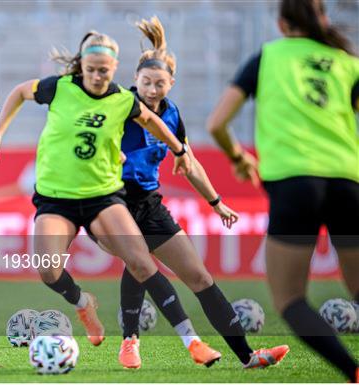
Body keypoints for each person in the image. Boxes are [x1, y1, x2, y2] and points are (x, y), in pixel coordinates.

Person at [0, 30, 208, 352]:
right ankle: (82, 300)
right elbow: (18, 92)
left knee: (141, 262)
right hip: (57, 198)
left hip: (103, 197)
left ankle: (190, 340)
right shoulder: (58, 88)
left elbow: (153, 122)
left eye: (104, 70)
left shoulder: (122, 99)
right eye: (91, 69)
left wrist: (180, 152)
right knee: (47, 270)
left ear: (114, 67)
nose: (98, 76)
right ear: (82, 66)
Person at [89, 16, 289, 370]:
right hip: (110, 203)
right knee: (141, 262)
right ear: (134, 81)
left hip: (149, 204)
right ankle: (130, 343)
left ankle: (248, 356)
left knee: (199, 277)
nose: (152, 90)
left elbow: (189, 162)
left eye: (159, 84)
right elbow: (88, 142)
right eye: (146, 83)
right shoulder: (119, 106)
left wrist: (216, 202)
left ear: (171, 83)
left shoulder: (172, 114)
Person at [206, 0, 359, 381]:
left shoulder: (267, 58)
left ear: (281, 23)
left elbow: (217, 123)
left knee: (290, 299)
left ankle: (354, 373)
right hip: (347, 181)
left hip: (295, 184)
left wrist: (239, 157)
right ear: (322, 19)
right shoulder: (347, 63)